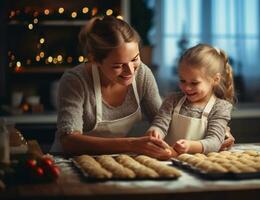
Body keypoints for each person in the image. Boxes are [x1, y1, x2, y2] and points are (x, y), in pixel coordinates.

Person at [50, 16, 234, 158]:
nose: (130, 70)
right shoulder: (76, 80)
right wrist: (131, 144)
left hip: (116, 159)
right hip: (68, 162)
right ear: (95, 60)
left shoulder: (142, 74)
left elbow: (163, 119)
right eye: (117, 65)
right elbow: (69, 141)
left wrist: (220, 132)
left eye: (135, 59)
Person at [145, 44, 236, 154]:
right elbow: (160, 125)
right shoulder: (173, 100)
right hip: (168, 160)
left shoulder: (220, 107)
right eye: (182, 81)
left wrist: (190, 146)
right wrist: (154, 132)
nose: (187, 88)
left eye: (194, 83)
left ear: (215, 79)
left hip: (201, 163)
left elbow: (215, 142)